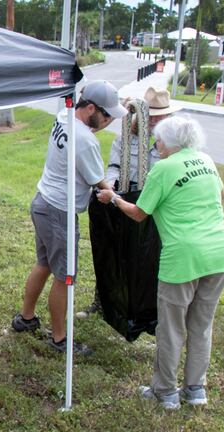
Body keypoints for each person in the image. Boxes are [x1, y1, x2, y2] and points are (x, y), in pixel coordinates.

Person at [97, 116, 224, 410]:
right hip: (220, 252)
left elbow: (138, 213)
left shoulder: (163, 168)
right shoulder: (206, 160)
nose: (155, 144)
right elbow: (220, 194)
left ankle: (165, 391)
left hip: (183, 256)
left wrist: (113, 198)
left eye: (158, 140)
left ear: (169, 143)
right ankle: (196, 390)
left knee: (171, 328)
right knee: (201, 325)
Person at [11, 80, 127, 356]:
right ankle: (60, 339)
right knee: (65, 277)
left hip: (43, 202)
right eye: (107, 115)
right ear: (90, 108)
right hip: (59, 212)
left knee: (44, 263)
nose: (109, 121)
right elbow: (100, 182)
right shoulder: (85, 140)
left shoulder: (64, 116)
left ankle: (26, 319)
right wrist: (118, 199)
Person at [76, 87, 181, 319]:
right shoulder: (125, 140)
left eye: (160, 116)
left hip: (152, 206)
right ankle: (104, 303)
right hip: (124, 199)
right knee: (112, 253)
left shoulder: (172, 146)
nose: (155, 121)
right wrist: (111, 186)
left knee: (146, 258)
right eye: (151, 115)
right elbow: (114, 167)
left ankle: (143, 310)